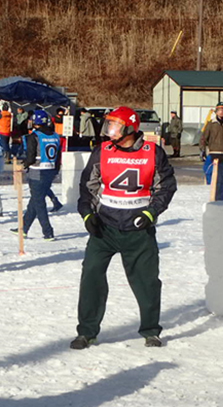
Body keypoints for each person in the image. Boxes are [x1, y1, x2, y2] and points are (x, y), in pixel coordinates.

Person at [71, 106, 177, 350]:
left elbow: (166, 187)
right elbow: (88, 186)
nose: (109, 130)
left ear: (129, 128)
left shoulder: (153, 152)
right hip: (105, 228)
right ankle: (87, 332)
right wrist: (88, 215)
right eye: (108, 125)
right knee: (91, 276)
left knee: (147, 281)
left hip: (138, 231)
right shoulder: (103, 151)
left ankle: (151, 330)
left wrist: (151, 213)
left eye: (115, 125)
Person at [11, 110, 60, 240]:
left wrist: (23, 165)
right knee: (35, 201)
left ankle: (48, 232)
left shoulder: (34, 136)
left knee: (39, 203)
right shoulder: (56, 136)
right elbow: (58, 157)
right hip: (50, 171)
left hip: (37, 172)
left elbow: (31, 157)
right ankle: (23, 228)